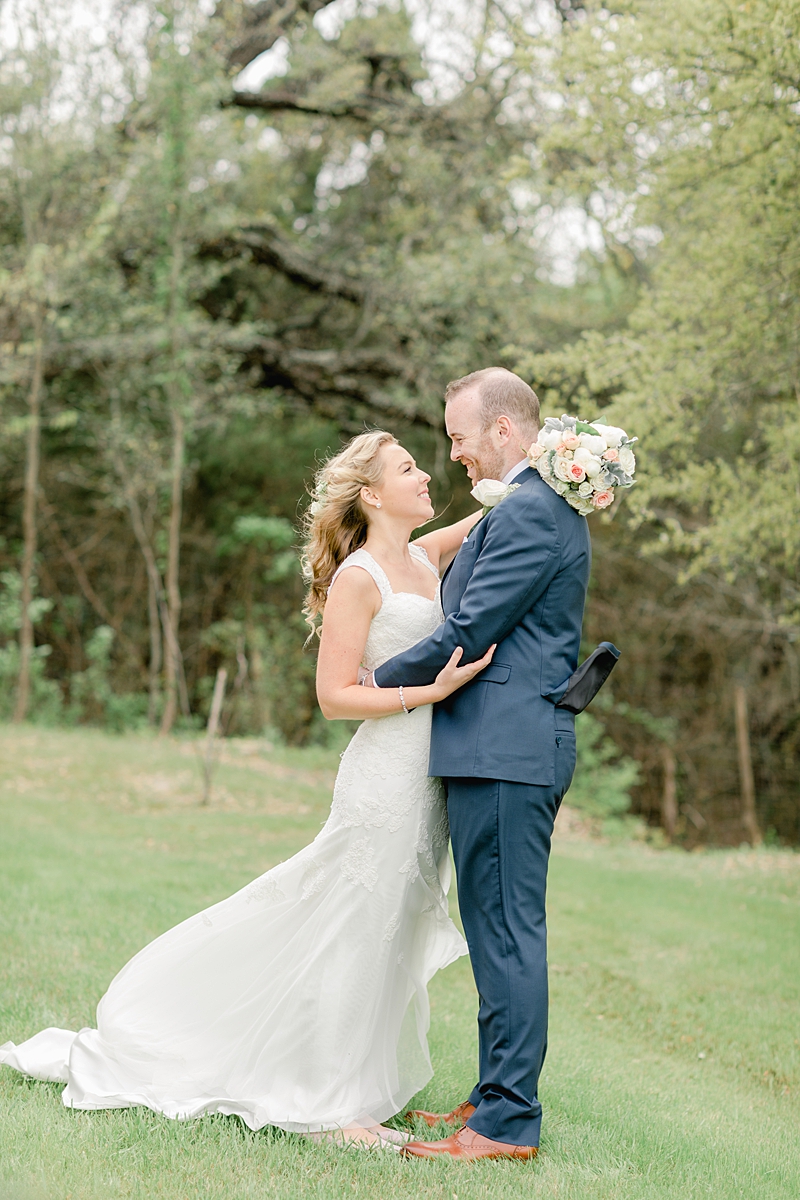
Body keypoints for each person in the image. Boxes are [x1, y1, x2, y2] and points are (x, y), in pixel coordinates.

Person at [0, 429, 492, 1148]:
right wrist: (429, 690)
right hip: (385, 775)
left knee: (387, 932)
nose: (426, 476)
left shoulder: (425, 554)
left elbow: (499, 509)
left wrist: (570, 463)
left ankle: (348, 1081)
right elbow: (333, 698)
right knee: (359, 931)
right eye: (408, 468)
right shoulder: (361, 578)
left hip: (429, 783)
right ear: (372, 494)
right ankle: (329, 1104)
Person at [365, 367, 591, 1162]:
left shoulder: (531, 512)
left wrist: (371, 683)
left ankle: (506, 1123)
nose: (454, 453)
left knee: (506, 934)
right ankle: (491, 1099)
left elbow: (468, 626)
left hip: (508, 749)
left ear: (503, 430)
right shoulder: (524, 507)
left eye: (460, 437)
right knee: (497, 928)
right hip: (497, 746)